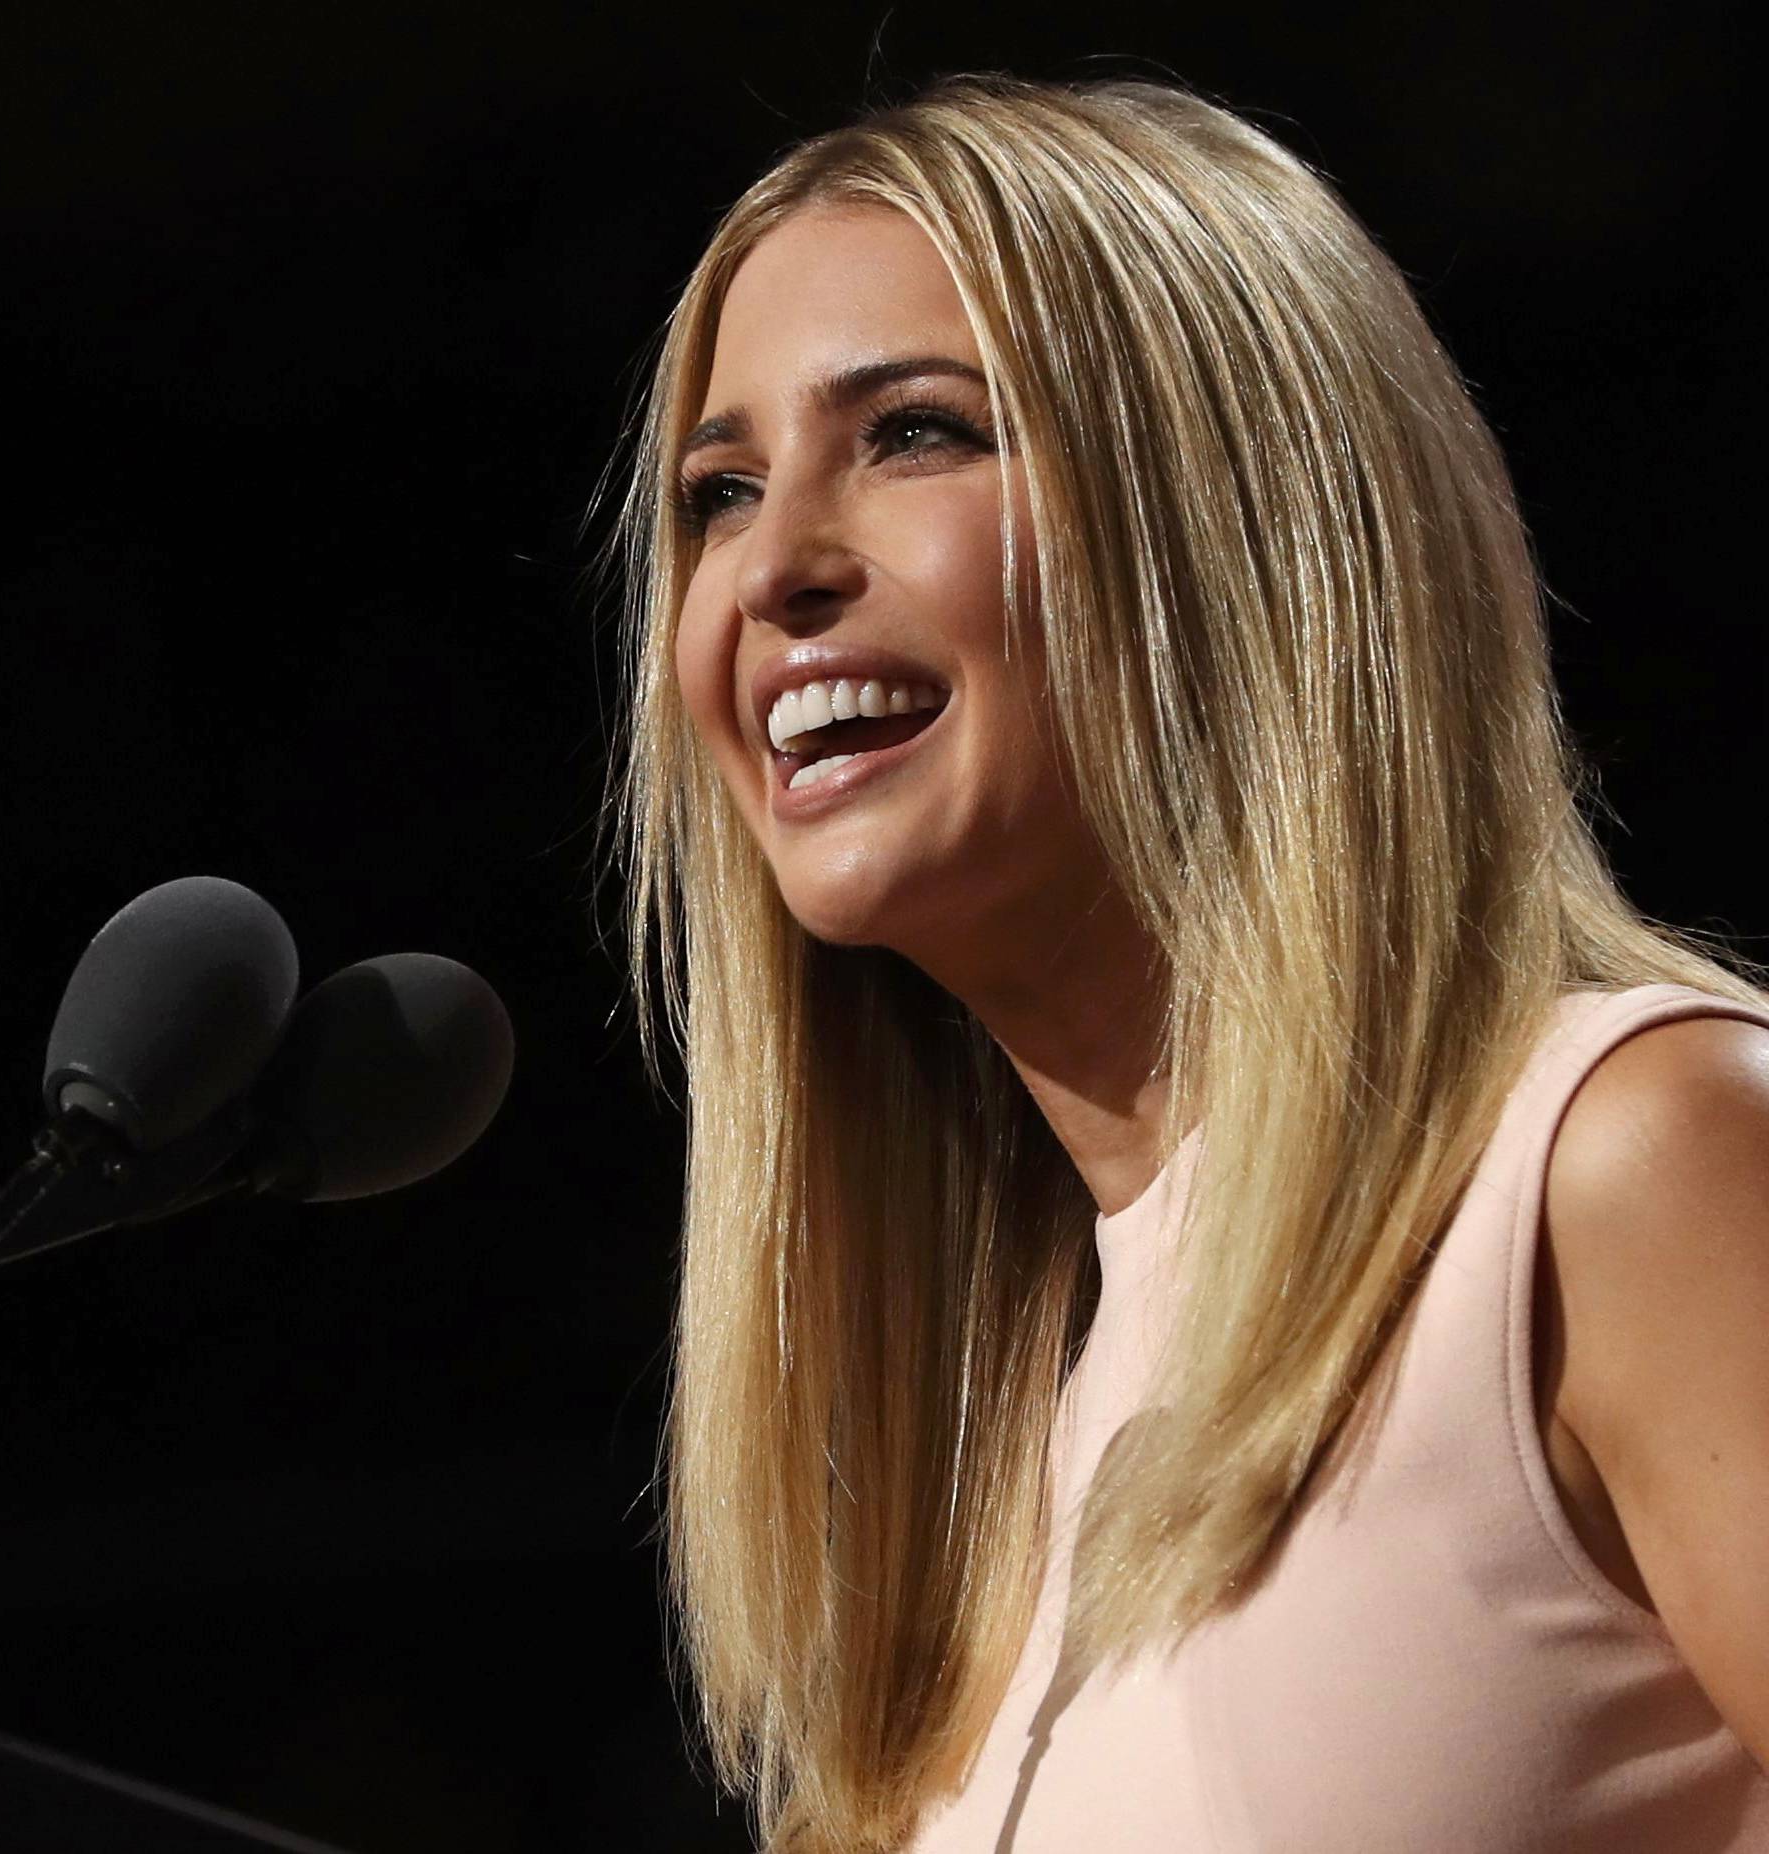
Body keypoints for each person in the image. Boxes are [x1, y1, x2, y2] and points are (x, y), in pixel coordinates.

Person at [592, 71, 1769, 1852]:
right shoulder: (980, 1501)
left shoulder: (1624, 1164)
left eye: (916, 432)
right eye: (720, 489)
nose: (773, 569)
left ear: (1235, 521)